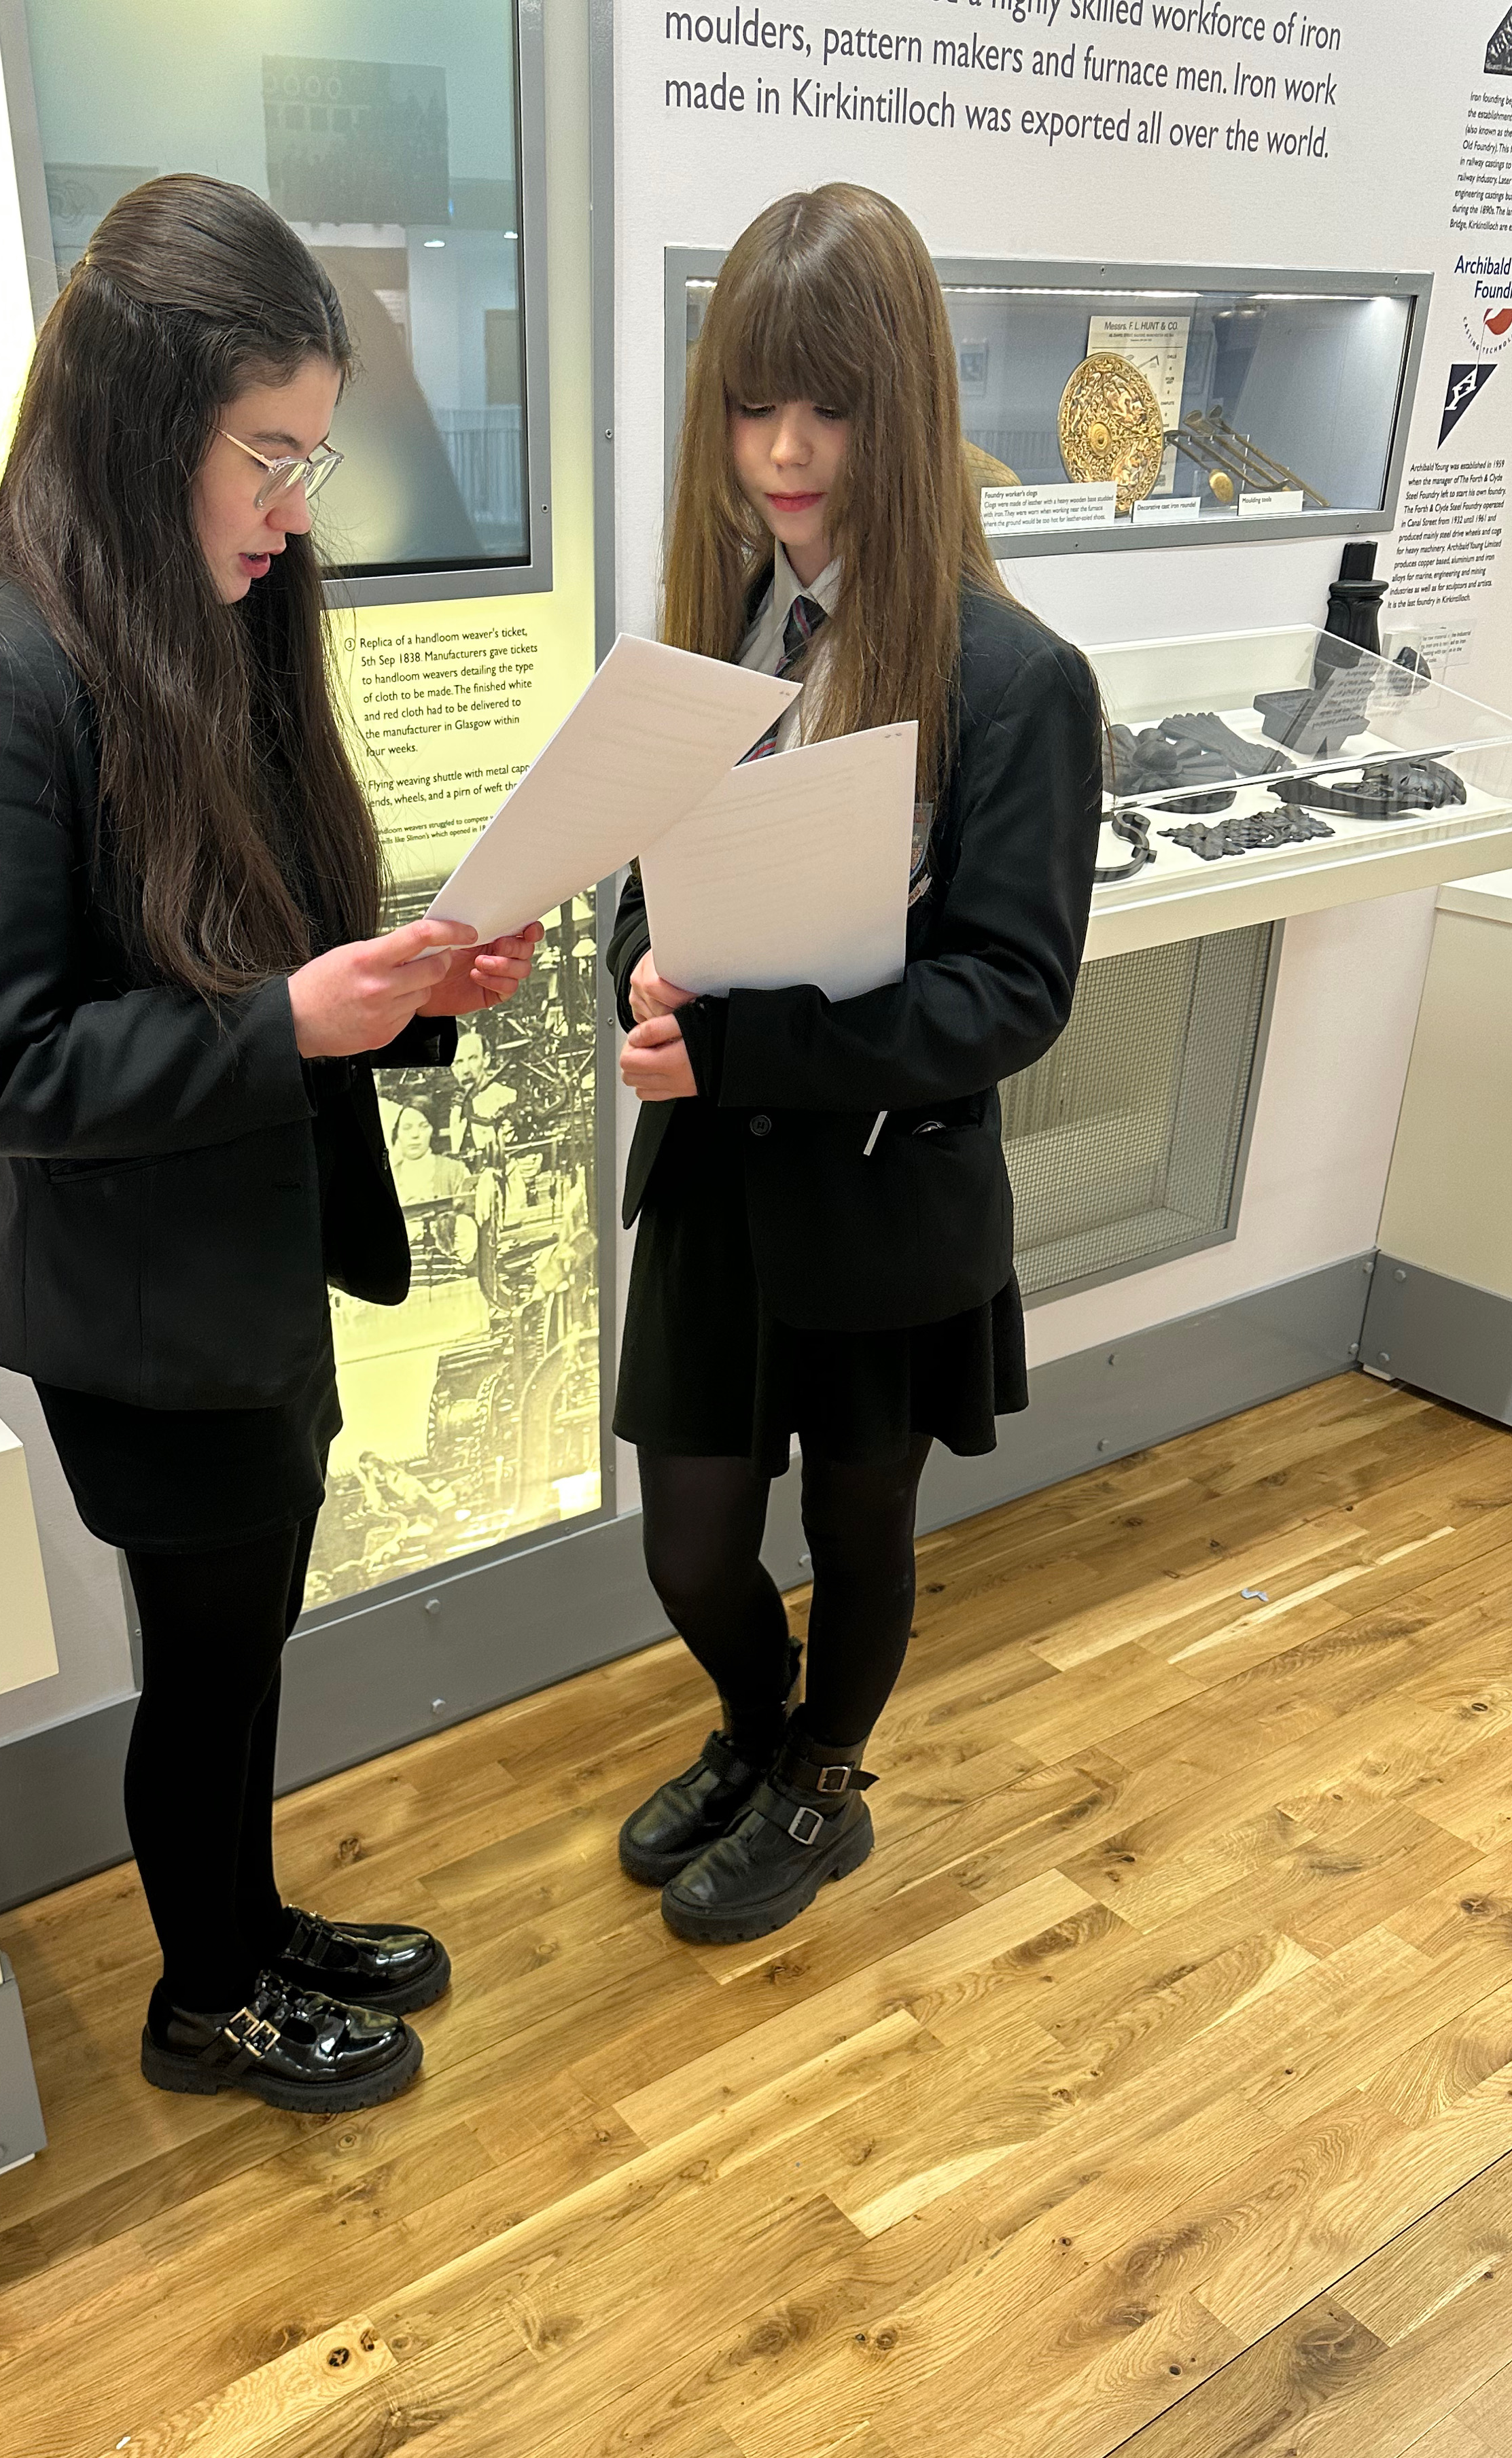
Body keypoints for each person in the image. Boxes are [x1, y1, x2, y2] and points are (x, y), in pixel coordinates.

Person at [0, 177, 540, 2113]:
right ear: (143, 416)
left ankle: (243, 1924)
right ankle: (205, 1998)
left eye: (312, 460)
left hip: (250, 1287)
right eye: (270, 455)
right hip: (146, 1315)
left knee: (240, 1647)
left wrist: (398, 989)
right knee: (206, 1654)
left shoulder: (212, 639)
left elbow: (256, 958)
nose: (292, 507)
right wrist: (288, 1024)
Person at [608, 183, 1100, 1944]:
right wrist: (645, 989)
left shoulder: (1016, 679)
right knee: (690, 1548)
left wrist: (740, 1041)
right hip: (720, 1192)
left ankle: (826, 1776)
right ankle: (758, 1728)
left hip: (891, 1203)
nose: (789, 449)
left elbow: (1012, 993)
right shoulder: (717, 632)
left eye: (831, 406)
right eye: (754, 403)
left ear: (907, 409)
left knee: (863, 1527)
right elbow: (647, 885)